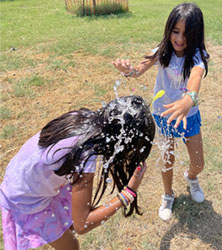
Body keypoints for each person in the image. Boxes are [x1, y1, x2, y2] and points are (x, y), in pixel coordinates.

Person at [0, 95, 155, 250]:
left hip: (25, 178)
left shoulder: (84, 118)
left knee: (70, 225)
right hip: (25, 199)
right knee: (71, 246)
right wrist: (129, 192)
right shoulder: (85, 155)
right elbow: (83, 224)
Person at [112, 2, 209, 221]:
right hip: (164, 115)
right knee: (167, 159)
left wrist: (188, 99)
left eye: (186, 33)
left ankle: (191, 178)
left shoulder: (197, 55)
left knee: (198, 163)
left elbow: (195, 77)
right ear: (169, 30)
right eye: (176, 31)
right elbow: (139, 69)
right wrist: (129, 70)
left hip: (188, 116)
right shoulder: (162, 49)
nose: (180, 38)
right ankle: (168, 194)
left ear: (196, 34)